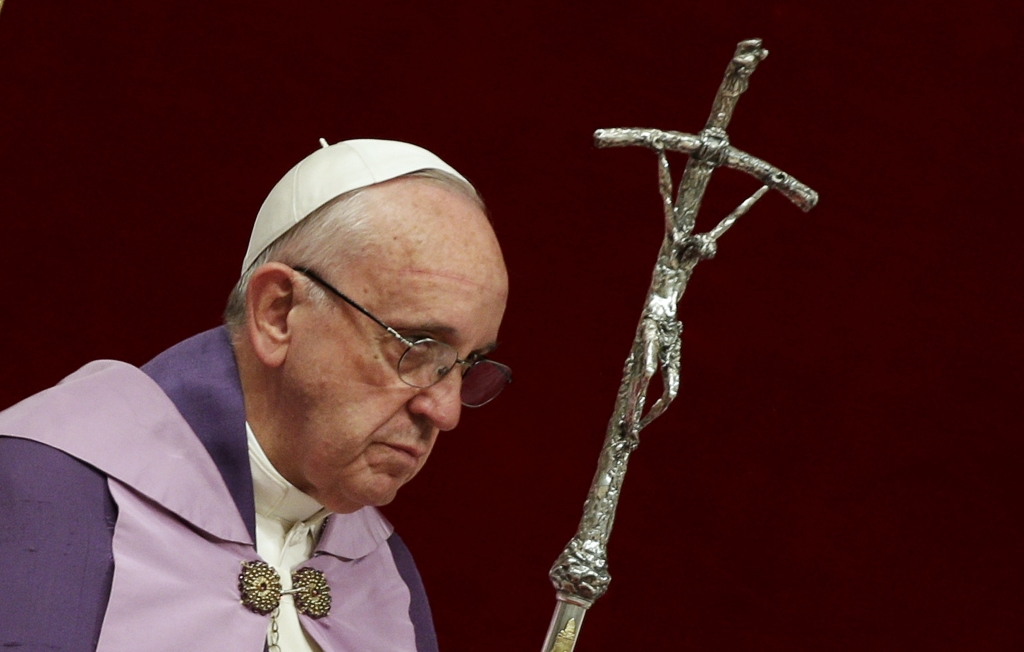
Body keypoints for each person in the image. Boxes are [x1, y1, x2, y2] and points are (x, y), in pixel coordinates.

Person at [0, 139, 511, 651]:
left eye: (465, 367)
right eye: (418, 348)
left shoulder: (385, 575)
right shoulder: (42, 487)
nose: (444, 411)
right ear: (278, 312)